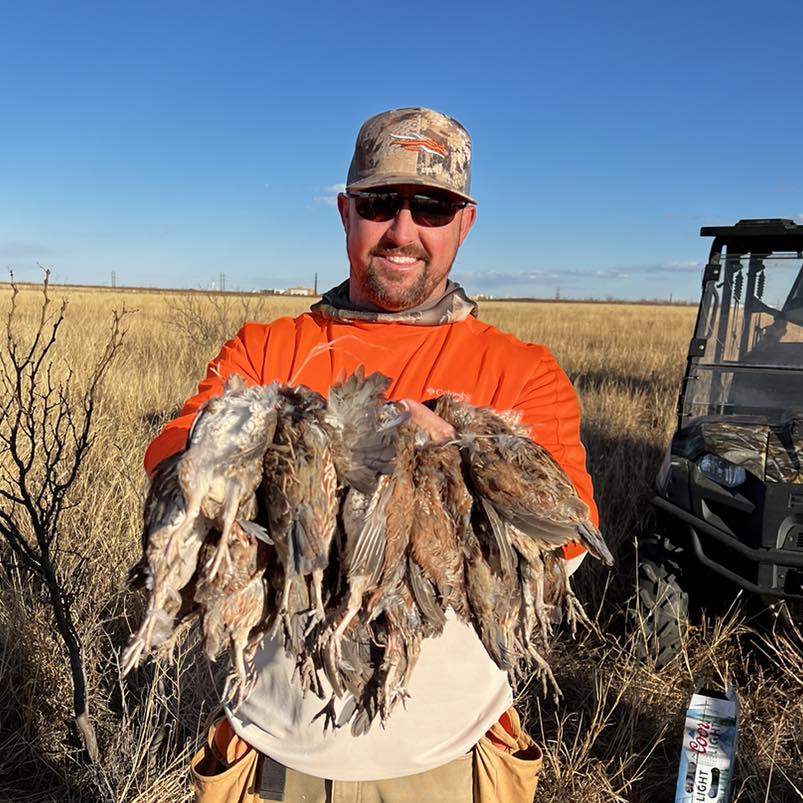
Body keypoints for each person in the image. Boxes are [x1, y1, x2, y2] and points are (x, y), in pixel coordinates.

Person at [144, 107, 598, 802]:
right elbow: (177, 474)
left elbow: (565, 539)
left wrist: (461, 461)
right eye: (381, 202)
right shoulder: (263, 351)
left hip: (442, 762)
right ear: (346, 211)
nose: (403, 230)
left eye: (432, 207)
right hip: (272, 756)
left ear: (465, 222)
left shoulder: (521, 371)